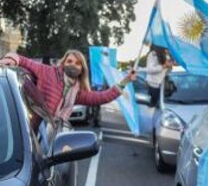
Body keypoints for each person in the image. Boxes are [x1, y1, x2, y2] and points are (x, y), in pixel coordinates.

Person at [0, 49, 136, 134]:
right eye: (69, 61)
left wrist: (126, 80)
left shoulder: (77, 92)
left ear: (82, 69)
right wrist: (9, 59)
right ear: (63, 63)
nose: (73, 65)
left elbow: (102, 97)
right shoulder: (48, 72)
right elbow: (23, 60)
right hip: (27, 129)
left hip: (50, 136)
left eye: (77, 63)